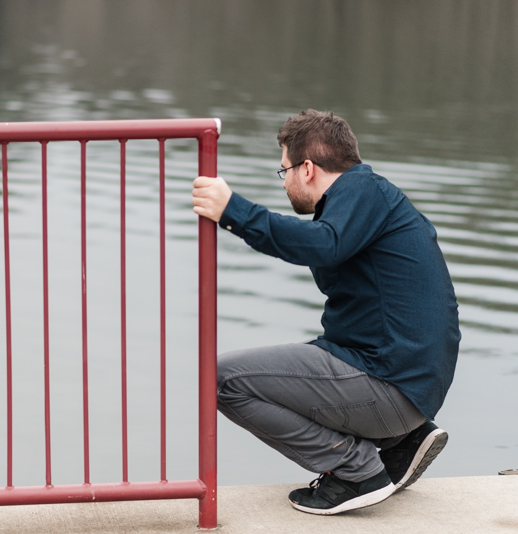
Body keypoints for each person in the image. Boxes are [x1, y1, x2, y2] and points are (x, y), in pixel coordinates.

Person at [191, 109, 460, 515]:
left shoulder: (361, 192)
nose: (284, 184)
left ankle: (355, 470)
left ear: (308, 168)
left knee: (221, 379)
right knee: (298, 359)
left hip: (393, 384)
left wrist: (234, 211)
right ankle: (399, 443)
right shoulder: (369, 200)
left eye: (284, 172)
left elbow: (321, 244)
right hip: (414, 387)